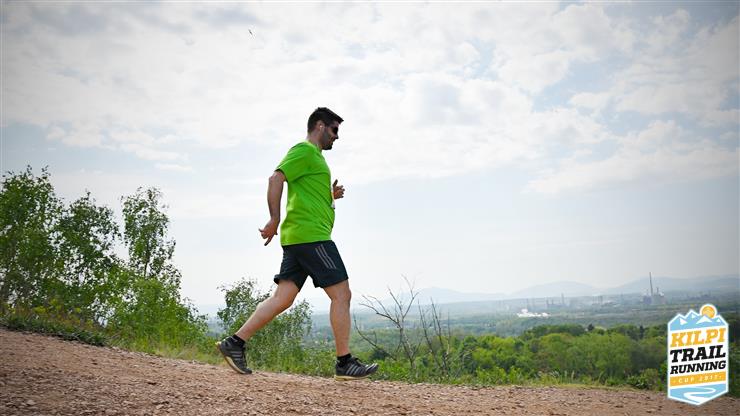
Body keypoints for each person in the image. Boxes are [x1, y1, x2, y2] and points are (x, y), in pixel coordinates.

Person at [216, 107, 379, 381]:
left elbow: (304, 193)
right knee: (342, 294)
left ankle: (235, 343)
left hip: (299, 238)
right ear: (320, 126)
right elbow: (276, 178)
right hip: (312, 237)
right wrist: (274, 219)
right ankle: (344, 362)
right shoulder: (304, 151)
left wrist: (329, 195)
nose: (337, 137)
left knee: (282, 298)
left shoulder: (314, 158)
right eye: (334, 130)